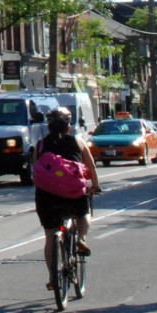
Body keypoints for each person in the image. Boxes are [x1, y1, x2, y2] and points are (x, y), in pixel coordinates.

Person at [34, 107, 101, 291]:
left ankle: (52, 277)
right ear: (69, 127)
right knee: (84, 211)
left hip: (46, 196)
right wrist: (95, 186)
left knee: (49, 236)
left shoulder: (41, 144)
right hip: (74, 192)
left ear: (49, 127)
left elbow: (36, 170)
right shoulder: (78, 141)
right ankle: (81, 238)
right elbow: (91, 166)